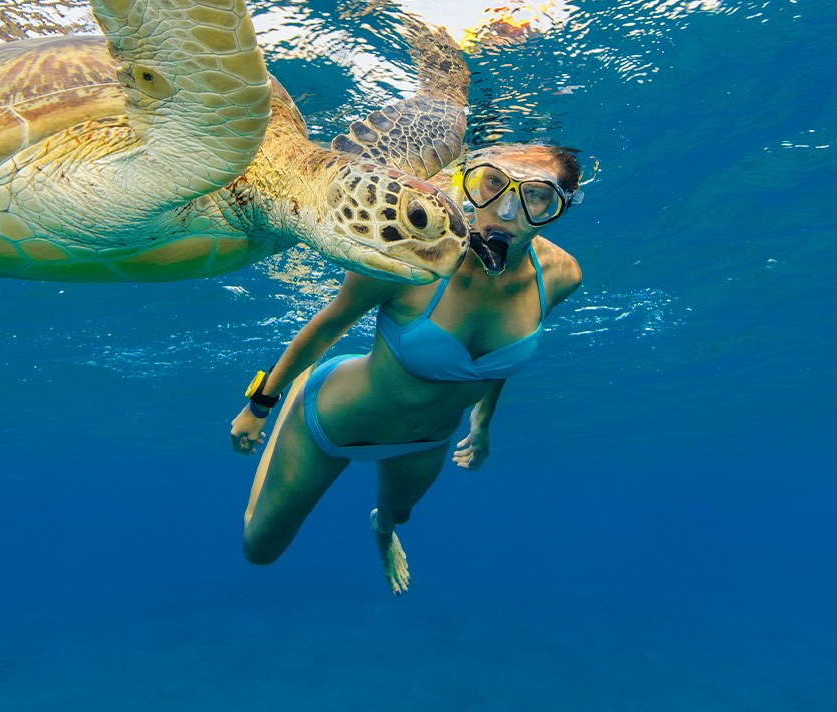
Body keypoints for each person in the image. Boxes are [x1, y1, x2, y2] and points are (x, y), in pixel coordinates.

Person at [230, 143, 586, 594]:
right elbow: (326, 326)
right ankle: (303, 389)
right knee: (258, 550)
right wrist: (259, 405)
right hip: (332, 421)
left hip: (426, 443)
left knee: (396, 516)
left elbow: (497, 362)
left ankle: (382, 534)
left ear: (559, 208)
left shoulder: (560, 276)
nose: (507, 210)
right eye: (493, 184)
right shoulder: (411, 249)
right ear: (470, 184)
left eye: (536, 196)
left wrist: (482, 422)